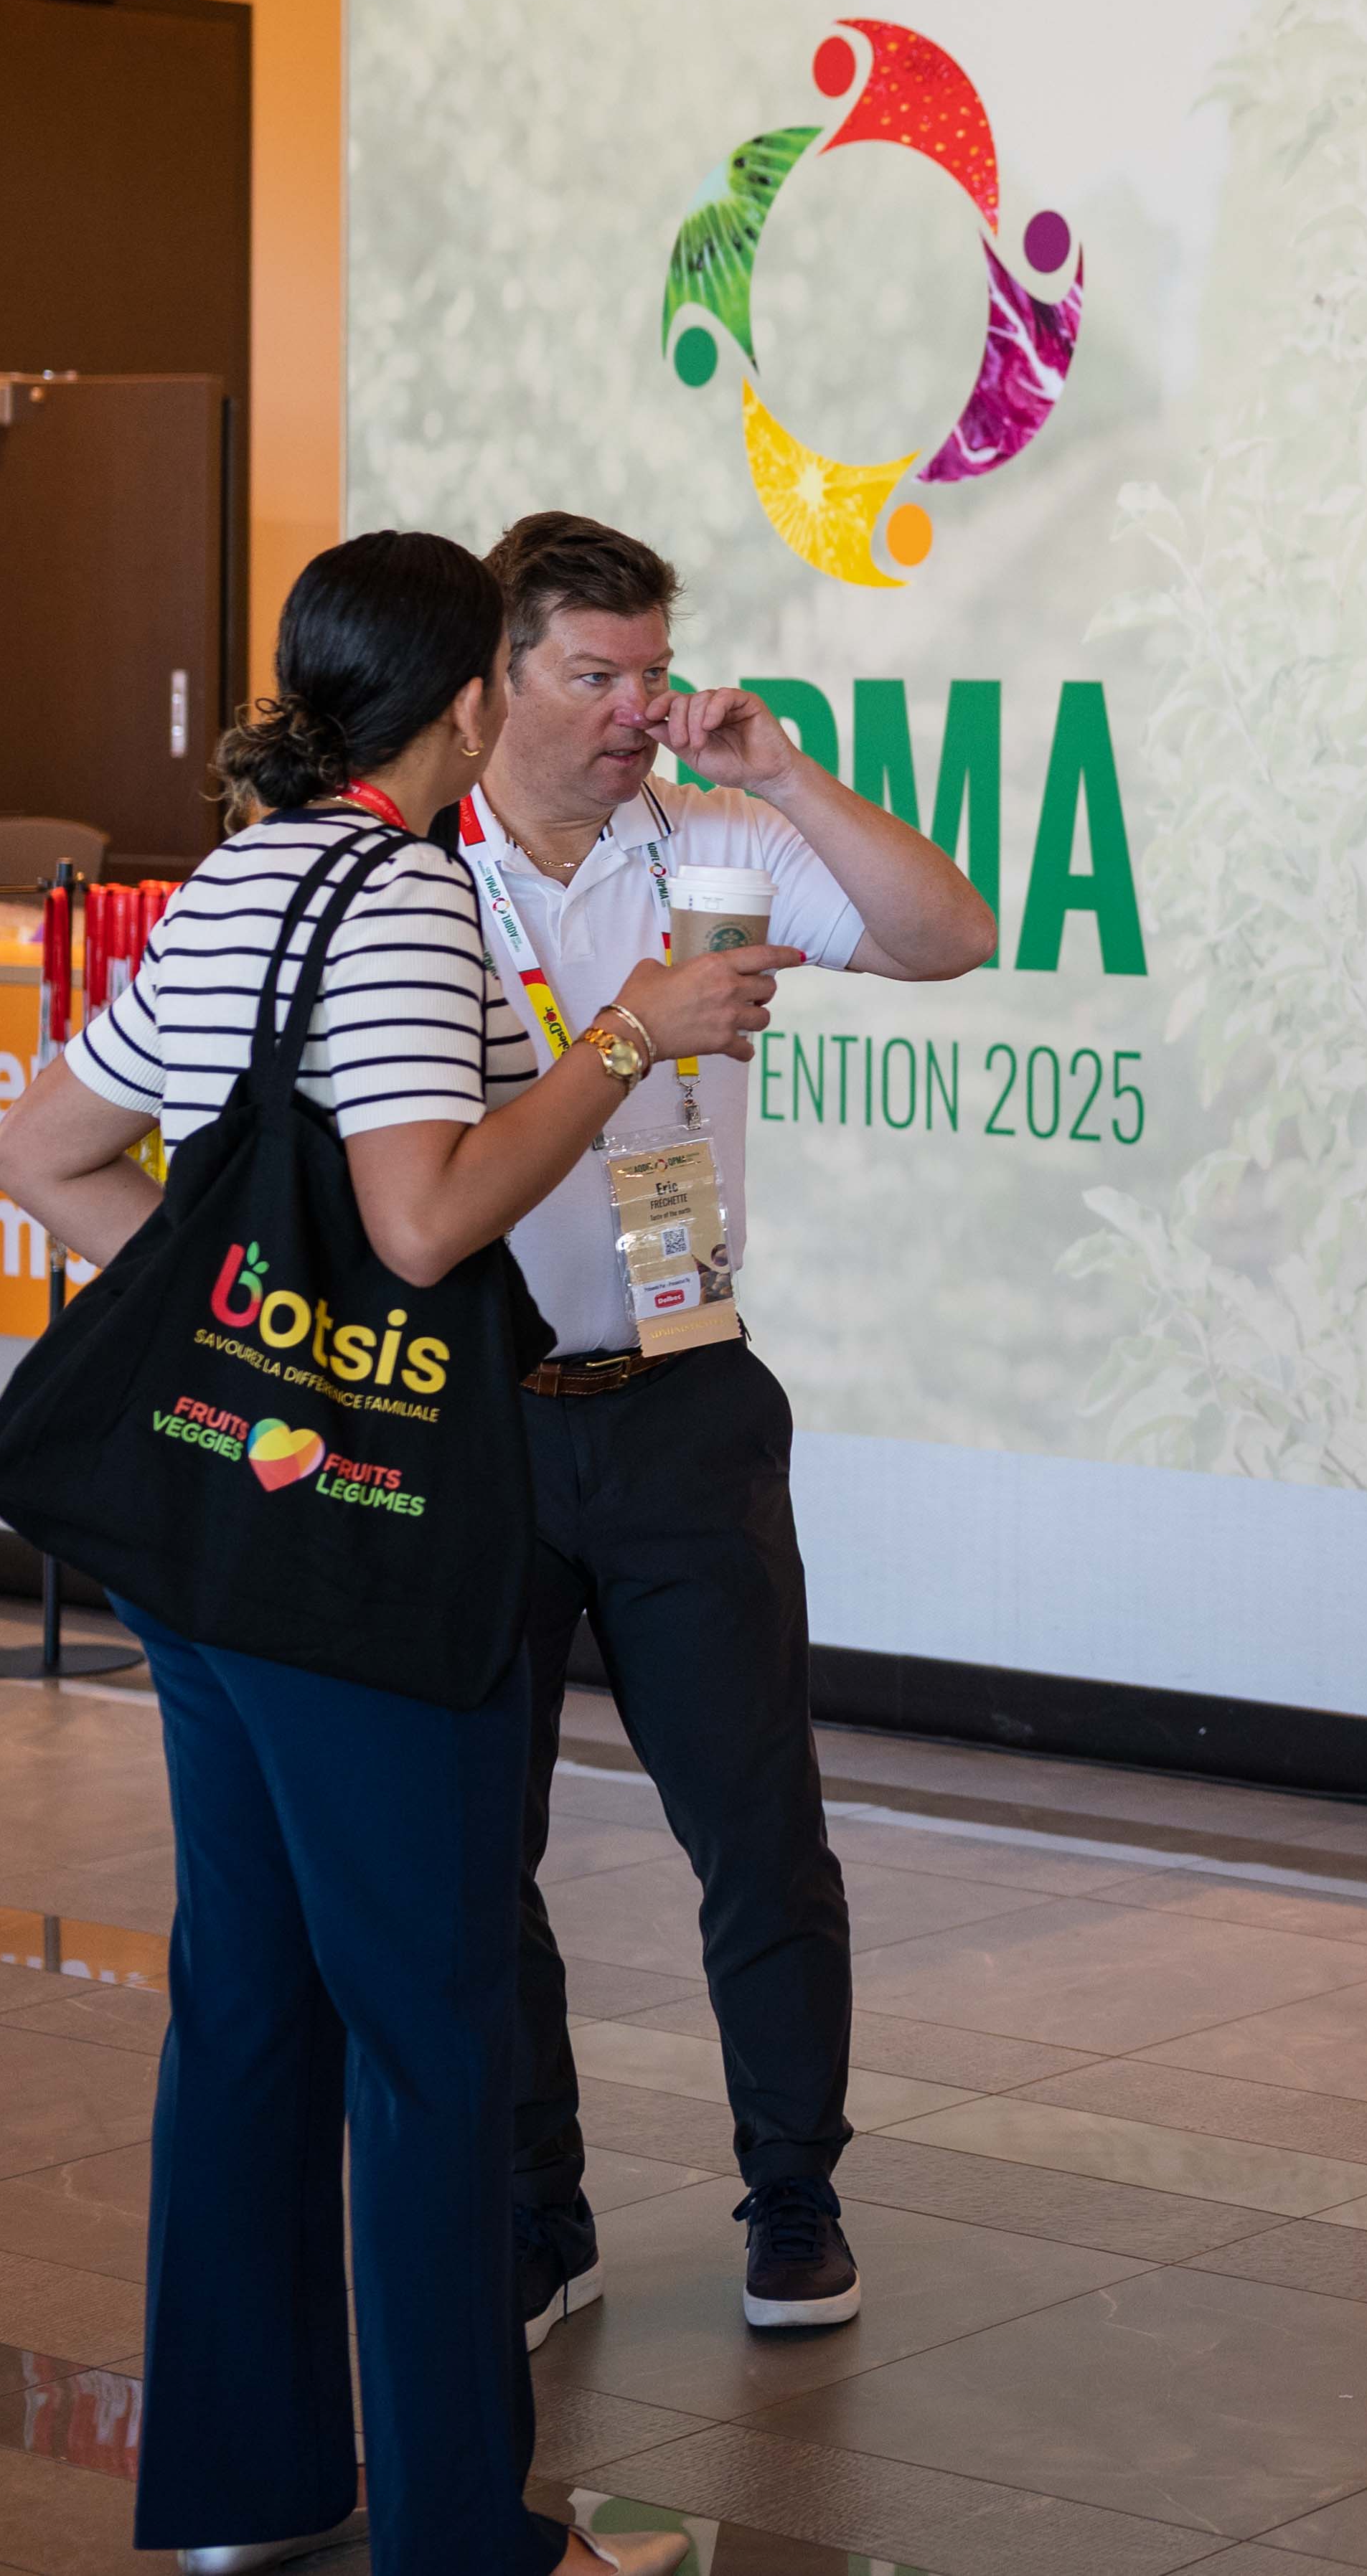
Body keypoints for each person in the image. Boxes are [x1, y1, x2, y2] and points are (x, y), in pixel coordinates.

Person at [0, 531, 781, 2576]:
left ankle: (241, 2489)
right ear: (466, 698)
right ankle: (459, 2534)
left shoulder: (243, 872)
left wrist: (248, 1351)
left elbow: (42, 1152)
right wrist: (626, 1037)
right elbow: (425, 1222)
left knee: (247, 2001)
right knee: (432, 2030)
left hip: (213, 1534)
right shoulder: (412, 894)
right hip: (365, 1558)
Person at [467, 512, 997, 2349]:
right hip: (474, 1417)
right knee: (477, 1845)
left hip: (683, 1391)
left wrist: (785, 772)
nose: (635, 709)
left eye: (652, 671)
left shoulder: (710, 840)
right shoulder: (418, 874)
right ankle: (539, 2216)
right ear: (495, 682)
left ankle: (795, 2199)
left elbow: (952, 935)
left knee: (760, 1831)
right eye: (590, 674)